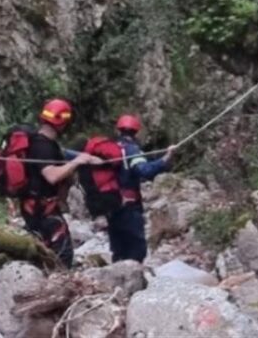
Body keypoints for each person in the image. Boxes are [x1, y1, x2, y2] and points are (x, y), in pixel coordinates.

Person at [21, 99, 100, 268]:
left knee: (46, 248)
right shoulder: (42, 146)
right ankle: (55, 285)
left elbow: (64, 155)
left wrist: (91, 159)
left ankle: (47, 280)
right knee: (63, 252)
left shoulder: (45, 143)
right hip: (41, 207)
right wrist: (78, 161)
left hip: (37, 206)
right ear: (63, 123)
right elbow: (52, 176)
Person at [109, 115, 175, 263]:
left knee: (118, 249)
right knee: (135, 250)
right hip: (129, 206)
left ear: (118, 131)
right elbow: (144, 170)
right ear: (136, 132)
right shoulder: (132, 150)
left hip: (111, 205)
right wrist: (166, 158)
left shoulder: (111, 149)